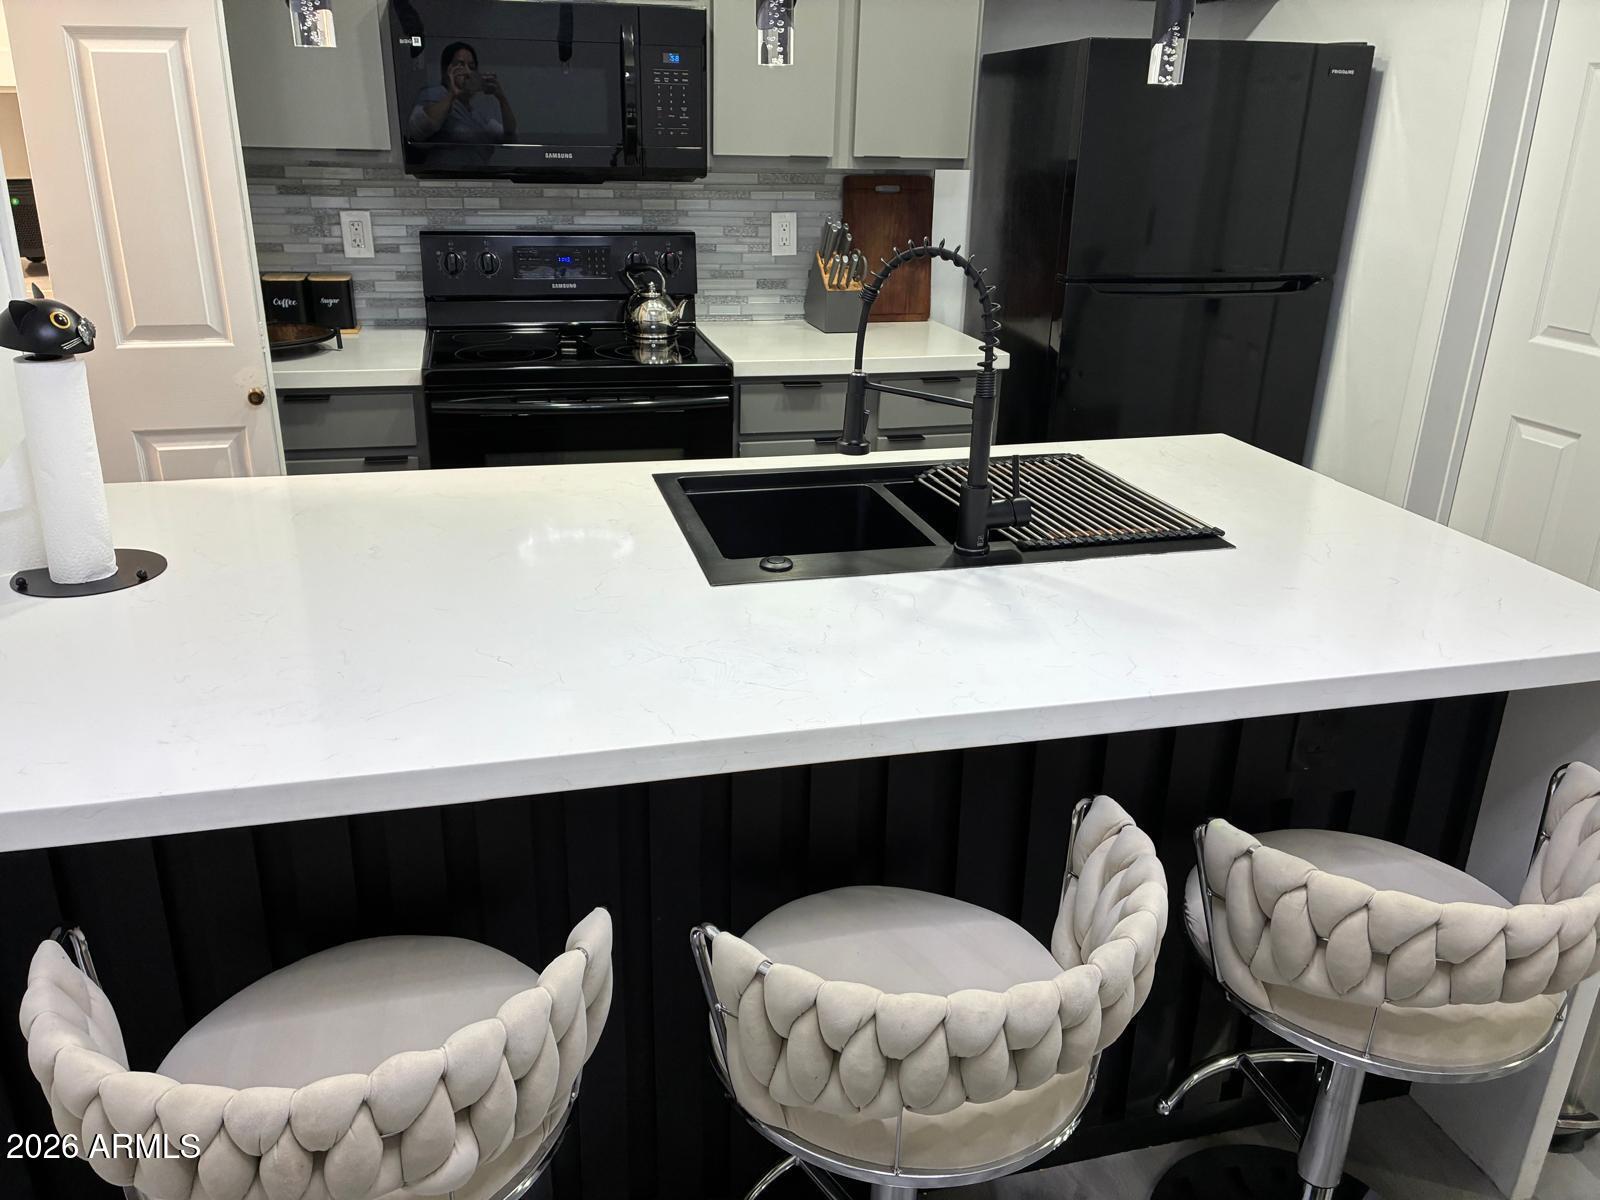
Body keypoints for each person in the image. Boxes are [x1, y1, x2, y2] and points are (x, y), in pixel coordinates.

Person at [407, 41, 518, 163]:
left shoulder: (477, 116)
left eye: (472, 67)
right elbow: (417, 129)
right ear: (446, 70)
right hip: (443, 177)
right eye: (460, 65)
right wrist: (452, 94)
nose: (468, 72)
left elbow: (509, 139)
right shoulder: (435, 94)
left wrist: (501, 98)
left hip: (476, 177)